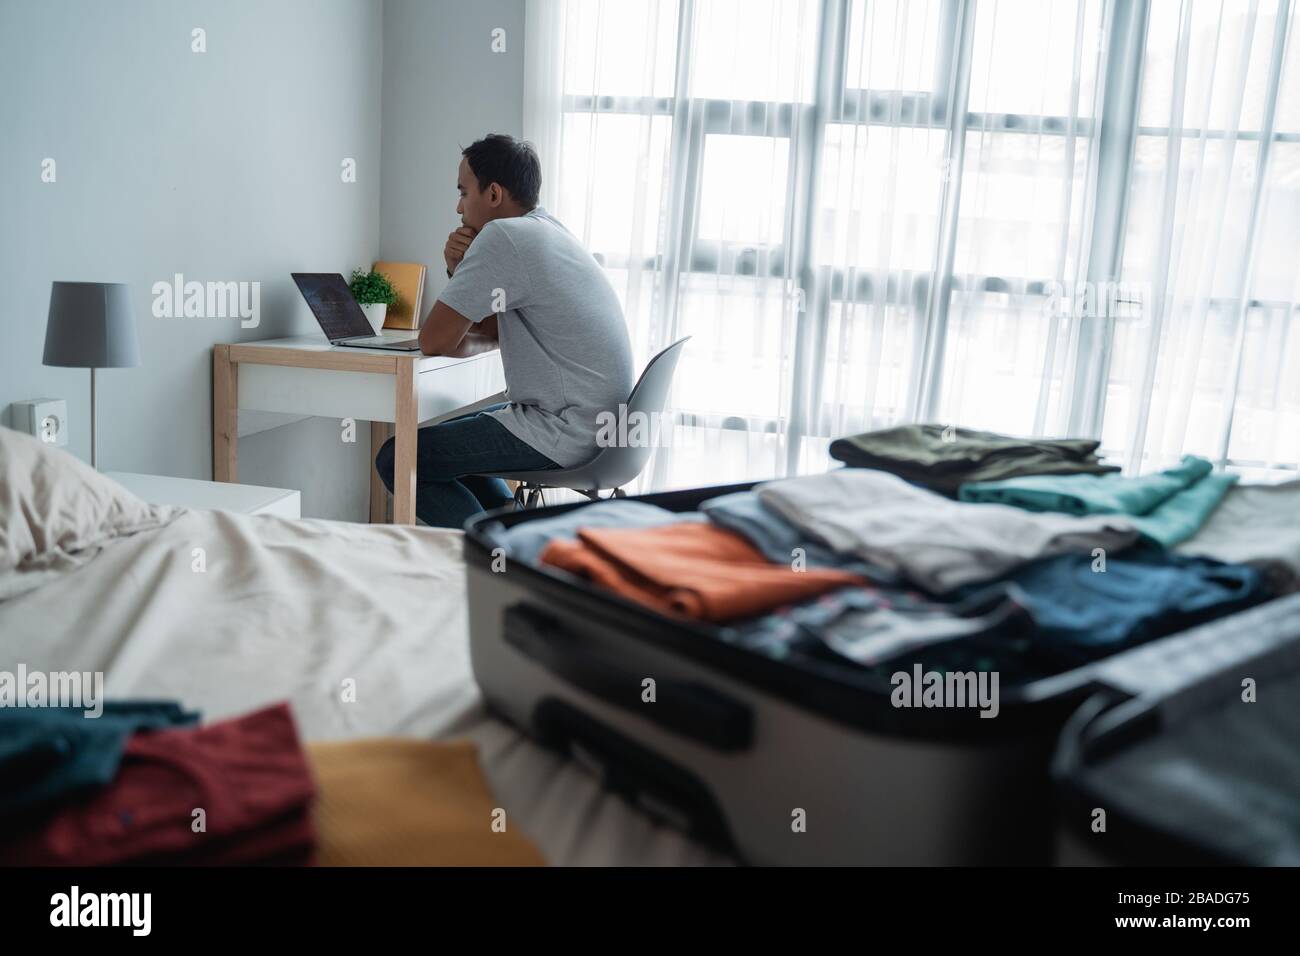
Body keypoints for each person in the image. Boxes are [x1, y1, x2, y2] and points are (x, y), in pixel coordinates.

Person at [374, 134, 634, 528]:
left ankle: (496, 557)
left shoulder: (504, 236)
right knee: (451, 445)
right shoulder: (547, 229)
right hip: (597, 424)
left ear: (493, 193)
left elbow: (434, 339)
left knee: (399, 457)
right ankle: (511, 539)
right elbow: (492, 326)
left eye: (464, 192)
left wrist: (459, 265)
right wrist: (460, 269)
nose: (458, 207)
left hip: (567, 427)